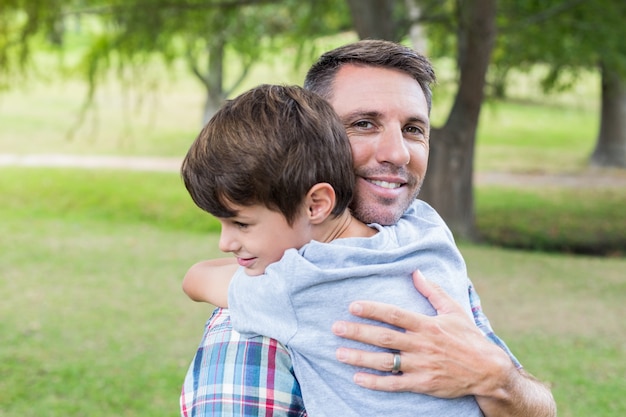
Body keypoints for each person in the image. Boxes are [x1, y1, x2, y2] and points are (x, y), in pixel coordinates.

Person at [180, 40, 556, 417]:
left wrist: (498, 379)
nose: (398, 153)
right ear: (314, 138)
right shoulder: (424, 237)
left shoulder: (419, 245)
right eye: (364, 124)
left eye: (413, 129)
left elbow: (533, 406)